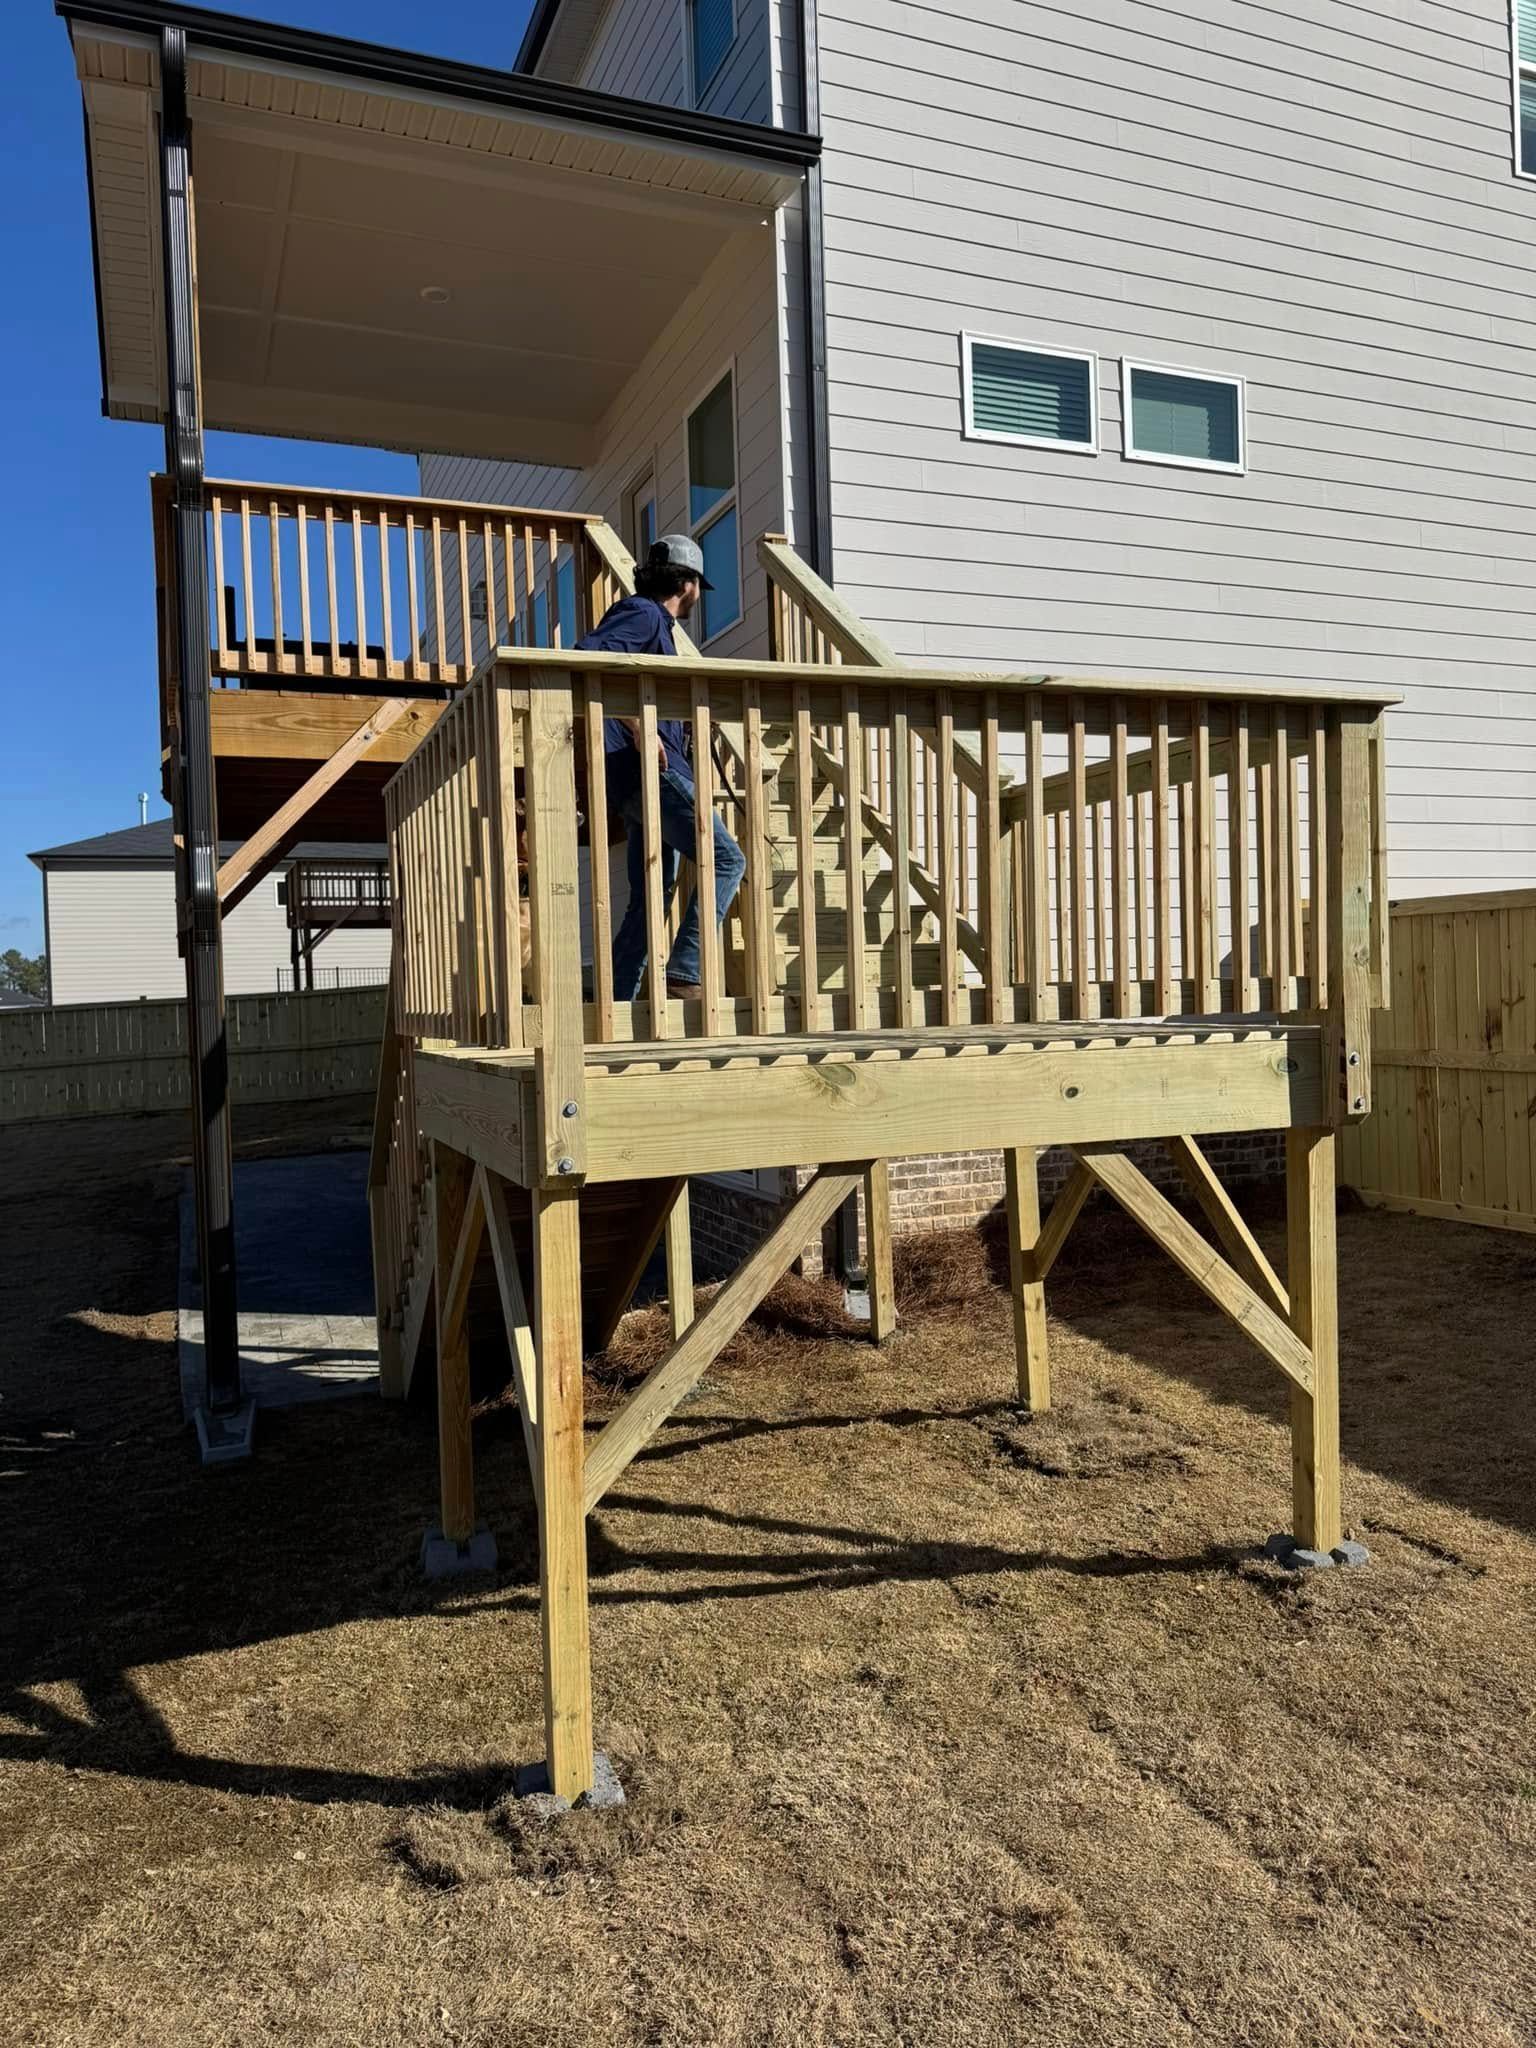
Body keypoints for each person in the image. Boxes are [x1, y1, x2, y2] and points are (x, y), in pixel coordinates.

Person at [577, 533, 747, 1002]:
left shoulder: (654, 625)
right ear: (688, 584)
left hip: (636, 779)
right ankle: (686, 971)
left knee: (651, 897)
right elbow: (590, 655)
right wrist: (640, 726)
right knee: (728, 859)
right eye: (697, 588)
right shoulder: (645, 614)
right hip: (653, 774)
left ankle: (615, 1003)